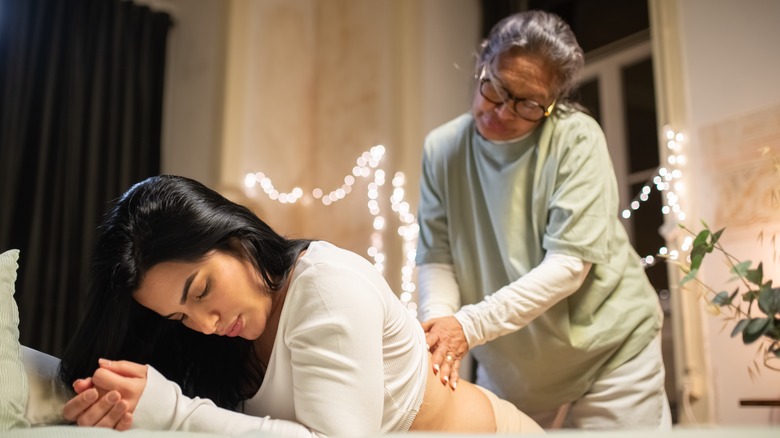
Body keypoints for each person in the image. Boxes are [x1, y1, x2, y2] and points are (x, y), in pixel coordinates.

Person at [56, 174, 544, 436]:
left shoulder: (326, 288)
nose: (205, 324)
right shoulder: (221, 339)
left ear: (234, 236)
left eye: (202, 290)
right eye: (180, 317)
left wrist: (172, 411)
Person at [415, 10, 672, 430]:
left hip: (609, 356)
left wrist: (468, 325)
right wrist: (440, 330)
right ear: (483, 66)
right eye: (494, 88)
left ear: (555, 105)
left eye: (529, 103)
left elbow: (569, 265)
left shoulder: (576, 138)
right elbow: (437, 256)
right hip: (512, 368)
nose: (502, 111)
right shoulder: (442, 150)